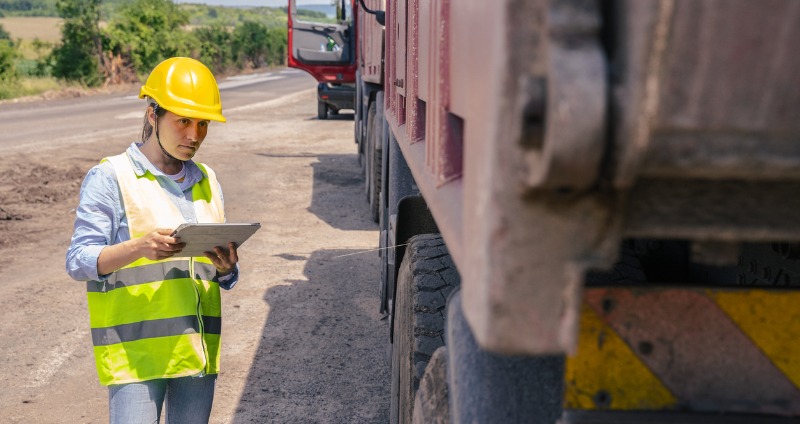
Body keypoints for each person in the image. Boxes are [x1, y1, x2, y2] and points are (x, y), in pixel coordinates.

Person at [66, 57, 239, 423]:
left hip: (197, 353)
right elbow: (79, 261)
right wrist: (140, 247)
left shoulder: (208, 180)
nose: (194, 135)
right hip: (137, 358)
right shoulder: (111, 177)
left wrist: (226, 269)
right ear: (152, 115)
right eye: (183, 121)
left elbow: (219, 274)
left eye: (203, 124)